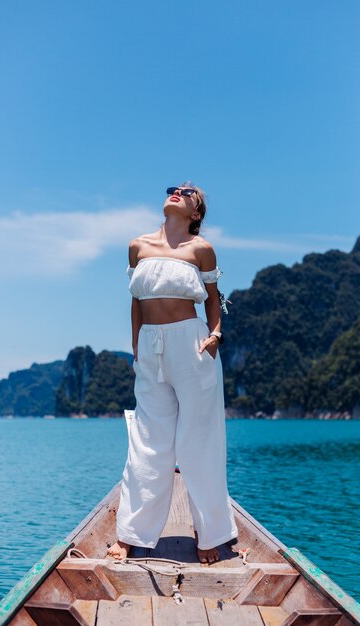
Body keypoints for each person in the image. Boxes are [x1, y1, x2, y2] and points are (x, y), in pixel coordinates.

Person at [106, 181, 238, 564]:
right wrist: (136, 347)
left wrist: (215, 336)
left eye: (189, 192)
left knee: (200, 442)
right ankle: (131, 535)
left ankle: (209, 534)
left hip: (191, 344)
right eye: (174, 188)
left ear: (196, 214)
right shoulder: (138, 246)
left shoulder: (202, 250)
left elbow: (213, 299)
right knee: (147, 441)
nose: (179, 191)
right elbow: (136, 300)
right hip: (150, 348)